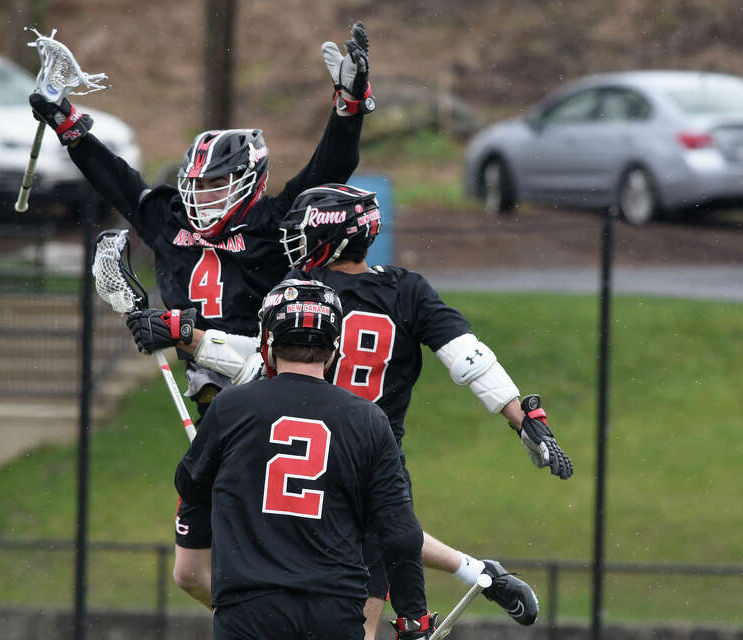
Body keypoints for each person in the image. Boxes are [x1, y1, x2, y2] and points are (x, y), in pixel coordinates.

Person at [31, 22, 376, 608]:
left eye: (217, 183)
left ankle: (334, 613)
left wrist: (349, 109)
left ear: (248, 180)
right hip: (213, 407)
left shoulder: (274, 226)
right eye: (199, 182)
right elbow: (119, 181)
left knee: (289, 539)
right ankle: (266, 616)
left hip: (268, 392)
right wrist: (67, 124)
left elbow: (328, 170)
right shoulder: (170, 221)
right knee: (191, 573)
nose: (203, 194)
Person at [278, 183, 573, 637]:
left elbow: (254, 361)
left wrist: (190, 337)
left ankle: (434, 604)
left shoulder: (298, 293)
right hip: (342, 458)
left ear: (329, 234)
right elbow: (470, 357)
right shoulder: (405, 289)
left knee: (356, 607)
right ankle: (475, 575)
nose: (294, 236)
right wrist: (524, 421)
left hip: (327, 453)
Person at [175, 278, 436, 640]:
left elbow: (190, 485)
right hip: (334, 610)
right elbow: (401, 534)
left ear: (268, 339)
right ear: (334, 347)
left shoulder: (232, 406)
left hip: (249, 609)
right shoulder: (369, 420)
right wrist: (413, 620)